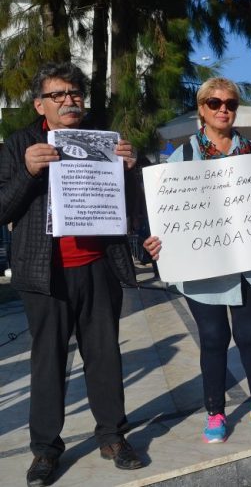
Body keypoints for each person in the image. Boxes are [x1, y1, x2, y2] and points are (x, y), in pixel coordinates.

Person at [0, 62, 143, 486]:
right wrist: (27, 171)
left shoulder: (104, 140)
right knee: (48, 361)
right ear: (39, 104)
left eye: (75, 93)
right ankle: (45, 449)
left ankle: (113, 437)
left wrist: (133, 167)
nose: (68, 100)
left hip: (98, 266)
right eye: (58, 94)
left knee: (105, 355)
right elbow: (2, 208)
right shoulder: (19, 143)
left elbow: (135, 205)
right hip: (45, 273)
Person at [143, 77, 251, 445]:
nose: (223, 109)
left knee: (250, 335)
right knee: (212, 339)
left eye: (230, 103)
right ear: (201, 108)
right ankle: (215, 412)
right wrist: (156, 240)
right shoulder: (182, 158)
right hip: (203, 266)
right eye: (214, 102)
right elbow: (164, 213)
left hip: (250, 263)